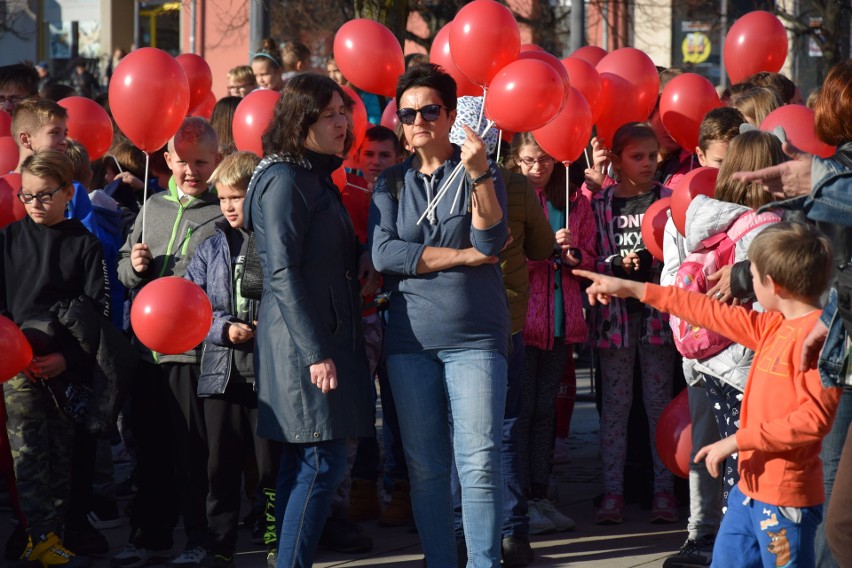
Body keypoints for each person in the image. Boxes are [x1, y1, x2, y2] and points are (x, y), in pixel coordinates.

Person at [575, 221, 843, 567]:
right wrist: (633, 288)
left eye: (752, 273)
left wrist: (737, 441)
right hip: (748, 491)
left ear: (771, 285)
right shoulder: (773, 325)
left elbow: (813, 422)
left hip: (784, 499)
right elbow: (706, 310)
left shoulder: (819, 341)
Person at [369, 63, 509, 567]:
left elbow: (491, 239)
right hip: (409, 341)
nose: (418, 120)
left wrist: (478, 174)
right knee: (426, 467)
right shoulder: (389, 182)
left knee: (479, 463)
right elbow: (384, 255)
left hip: (475, 336)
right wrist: (463, 257)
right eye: (408, 113)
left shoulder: (482, 170)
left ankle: (483, 563)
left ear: (451, 115)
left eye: (430, 110)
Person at [242, 72, 374, 567]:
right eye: (330, 115)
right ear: (301, 122)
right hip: (304, 346)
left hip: (323, 337)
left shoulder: (312, 175)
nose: (343, 123)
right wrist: (315, 351)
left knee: (312, 461)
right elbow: (280, 271)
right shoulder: (284, 179)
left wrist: (361, 254)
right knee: (322, 461)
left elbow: (320, 251)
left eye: (344, 112)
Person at [734, 59, 852, 568]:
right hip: (838, 353)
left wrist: (820, 179)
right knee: (835, 509)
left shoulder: (837, 175)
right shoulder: (840, 173)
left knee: (839, 518)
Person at [113, 117, 223, 568]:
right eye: (184, 162)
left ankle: (199, 537)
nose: (192, 171)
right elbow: (121, 266)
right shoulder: (153, 206)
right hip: (145, 352)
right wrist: (134, 266)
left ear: (216, 163)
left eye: (202, 163)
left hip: (192, 354)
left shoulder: (221, 214)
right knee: (149, 450)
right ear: (167, 160)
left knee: (192, 454)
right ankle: (149, 534)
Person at [1, 150, 109, 567]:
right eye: (27, 196)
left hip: (65, 369)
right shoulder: (7, 240)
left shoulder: (85, 244)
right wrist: (16, 357)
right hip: (16, 368)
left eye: (44, 195)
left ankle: (54, 537)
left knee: (62, 456)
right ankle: (39, 537)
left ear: (68, 192)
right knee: (27, 454)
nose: (34, 205)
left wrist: (66, 358)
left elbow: (97, 311)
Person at [184, 151, 280, 568]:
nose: (228, 206)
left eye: (237, 197)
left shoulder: (277, 239)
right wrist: (223, 329)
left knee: (272, 467)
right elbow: (191, 306)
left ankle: (277, 536)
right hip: (221, 375)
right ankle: (219, 544)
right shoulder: (209, 245)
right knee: (219, 468)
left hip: (269, 375)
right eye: (223, 198)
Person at [660, 105, 743, 568]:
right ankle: (700, 533)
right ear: (697, 155)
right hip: (701, 342)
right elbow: (674, 272)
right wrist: (685, 331)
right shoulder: (684, 203)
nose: (725, 174)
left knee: (741, 443)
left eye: (734, 164)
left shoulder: (751, 196)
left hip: (745, 344)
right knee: (705, 441)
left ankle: (735, 533)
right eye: (717, 163)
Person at [588, 122, 677, 525]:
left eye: (652, 156)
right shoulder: (602, 203)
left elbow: (680, 256)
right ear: (618, 159)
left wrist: (654, 267)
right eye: (637, 157)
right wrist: (614, 265)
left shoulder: (667, 200)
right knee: (616, 408)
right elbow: (591, 256)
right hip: (614, 321)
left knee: (658, 405)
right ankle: (612, 491)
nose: (647, 164)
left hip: (657, 319)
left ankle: (663, 491)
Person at [509, 132, 594, 535]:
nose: (536, 169)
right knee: (521, 412)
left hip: (561, 321)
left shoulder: (575, 200)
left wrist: (576, 255)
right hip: (522, 323)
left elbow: (592, 255)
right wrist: (540, 250)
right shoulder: (509, 197)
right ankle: (519, 498)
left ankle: (540, 494)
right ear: (515, 160)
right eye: (527, 161)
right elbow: (501, 257)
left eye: (543, 160)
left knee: (546, 411)